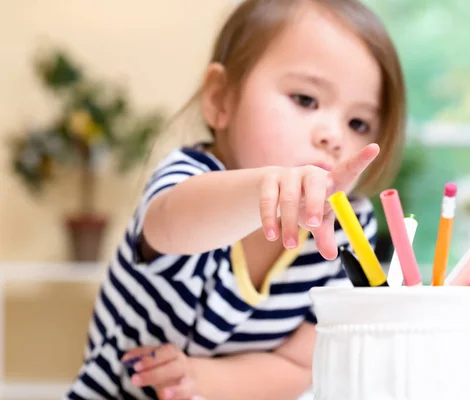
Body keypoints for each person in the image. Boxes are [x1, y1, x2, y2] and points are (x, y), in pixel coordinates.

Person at [66, 0, 406, 399]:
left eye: (358, 123)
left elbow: (301, 363)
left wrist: (201, 380)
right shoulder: (190, 178)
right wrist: (268, 187)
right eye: (306, 99)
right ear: (221, 99)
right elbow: (171, 224)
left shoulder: (347, 229)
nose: (334, 135)